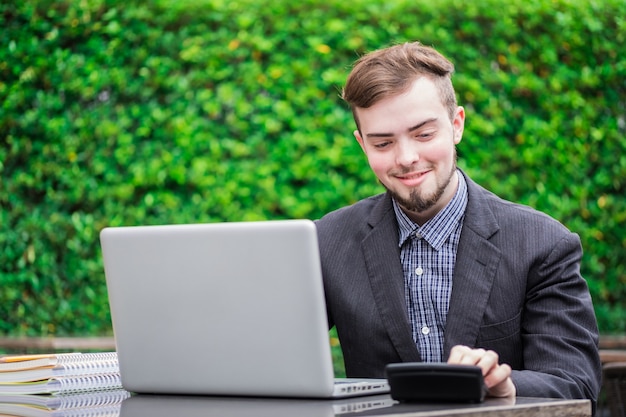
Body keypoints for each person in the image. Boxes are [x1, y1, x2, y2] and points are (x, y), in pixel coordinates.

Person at [315, 41, 601, 406]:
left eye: (423, 134)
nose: (406, 158)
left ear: (456, 125)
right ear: (362, 144)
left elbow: (577, 386)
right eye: (383, 143)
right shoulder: (327, 242)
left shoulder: (543, 244)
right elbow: (274, 353)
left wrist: (507, 386)